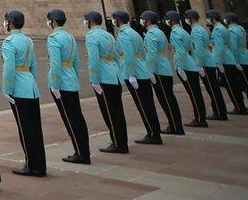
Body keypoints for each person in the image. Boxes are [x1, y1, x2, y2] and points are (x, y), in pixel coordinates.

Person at [1, 9, 45, 177]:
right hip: (30, 86)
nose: (5, 24)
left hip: (19, 88)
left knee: (25, 128)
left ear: (10, 24)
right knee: (35, 128)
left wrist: (7, 89)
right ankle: (40, 164)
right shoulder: (28, 40)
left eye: (6, 21)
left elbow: (9, 68)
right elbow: (33, 65)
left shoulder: (9, 42)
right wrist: (30, 82)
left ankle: (31, 164)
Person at [112, 10, 163, 145]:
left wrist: (131, 75)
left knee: (143, 105)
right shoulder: (134, 32)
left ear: (118, 20)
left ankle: (153, 134)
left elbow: (128, 56)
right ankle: (155, 131)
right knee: (149, 104)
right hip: (143, 70)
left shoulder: (123, 35)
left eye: (114, 19)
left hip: (135, 73)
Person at [46, 9, 90, 163]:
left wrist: (55, 84)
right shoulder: (70, 36)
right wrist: (74, 77)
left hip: (62, 83)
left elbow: (55, 63)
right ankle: (84, 150)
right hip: (71, 80)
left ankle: (80, 153)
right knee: (77, 116)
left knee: (70, 118)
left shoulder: (54, 38)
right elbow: (76, 61)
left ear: (53, 21)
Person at [84, 10, 129, 153]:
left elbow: (94, 60)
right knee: (118, 110)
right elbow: (116, 56)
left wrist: (94, 80)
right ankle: (122, 141)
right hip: (114, 75)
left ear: (90, 22)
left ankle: (117, 143)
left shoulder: (91, 36)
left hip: (104, 77)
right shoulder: (108, 35)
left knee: (109, 112)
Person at [140, 10, 184, 136]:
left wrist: (151, 71)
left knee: (166, 99)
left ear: (147, 20)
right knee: (169, 98)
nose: (142, 21)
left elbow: (152, 54)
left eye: (143, 19)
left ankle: (175, 126)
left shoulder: (151, 34)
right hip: (164, 67)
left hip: (158, 69)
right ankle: (175, 124)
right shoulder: (159, 32)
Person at [167, 10, 208, 128]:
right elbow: (191, 49)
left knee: (193, 93)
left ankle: (200, 118)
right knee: (196, 92)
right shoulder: (184, 31)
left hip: (185, 65)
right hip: (191, 63)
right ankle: (200, 116)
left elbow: (180, 52)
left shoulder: (175, 32)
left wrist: (180, 67)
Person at [190, 9, 228, 121]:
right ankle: (220, 110)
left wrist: (199, 64)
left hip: (205, 62)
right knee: (214, 88)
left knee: (212, 88)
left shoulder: (196, 30)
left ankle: (220, 112)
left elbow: (199, 49)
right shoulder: (202, 29)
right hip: (210, 60)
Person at [209, 10, 248, 114]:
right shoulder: (224, 28)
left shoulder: (217, 29)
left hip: (224, 60)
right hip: (229, 58)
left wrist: (218, 62)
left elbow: (219, 47)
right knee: (234, 84)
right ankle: (241, 106)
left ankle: (239, 108)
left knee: (230, 86)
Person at [225, 13, 248, 112]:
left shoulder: (231, 30)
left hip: (239, 59)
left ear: (228, 20)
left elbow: (233, 47)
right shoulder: (240, 28)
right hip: (245, 56)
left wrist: (233, 60)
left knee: (247, 83)